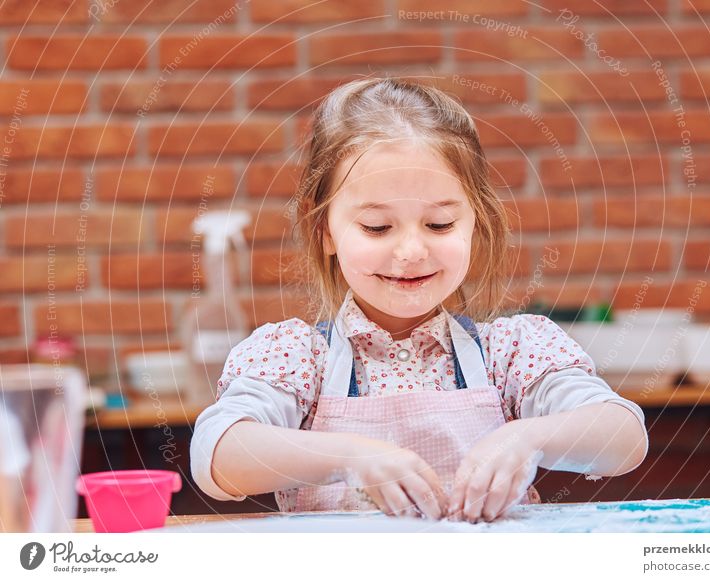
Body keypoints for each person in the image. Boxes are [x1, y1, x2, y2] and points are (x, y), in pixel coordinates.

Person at [190, 78, 648, 523]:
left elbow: (623, 440)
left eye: (439, 224)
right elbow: (216, 455)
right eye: (377, 227)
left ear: (475, 222)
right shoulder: (297, 358)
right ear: (324, 231)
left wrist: (527, 439)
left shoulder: (511, 352)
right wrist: (351, 457)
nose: (411, 251)